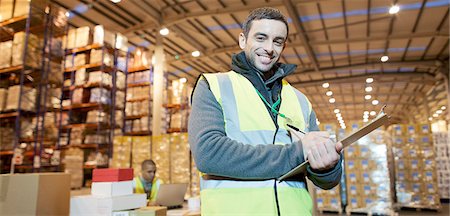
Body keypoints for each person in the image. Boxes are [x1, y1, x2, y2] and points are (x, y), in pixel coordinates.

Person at [188, 7, 343, 216]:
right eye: (261, 38)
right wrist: (296, 153)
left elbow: (326, 182)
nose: (269, 48)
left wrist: (328, 165)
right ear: (243, 40)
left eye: (277, 41)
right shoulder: (214, 86)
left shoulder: (300, 100)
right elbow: (209, 154)